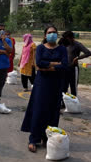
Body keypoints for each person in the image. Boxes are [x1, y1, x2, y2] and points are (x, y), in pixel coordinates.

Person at [21, 25, 68, 153]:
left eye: (54, 32)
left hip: (56, 84)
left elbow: (64, 65)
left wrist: (48, 66)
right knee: (38, 109)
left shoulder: (62, 49)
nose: (52, 34)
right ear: (45, 35)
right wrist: (55, 64)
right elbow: (38, 64)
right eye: (49, 32)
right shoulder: (41, 47)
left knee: (53, 110)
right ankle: (33, 138)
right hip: (42, 83)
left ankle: (47, 137)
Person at [59, 31, 91, 96]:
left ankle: (73, 104)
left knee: (73, 88)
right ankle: (63, 103)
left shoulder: (77, 44)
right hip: (64, 68)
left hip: (73, 69)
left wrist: (77, 58)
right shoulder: (63, 44)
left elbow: (88, 53)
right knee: (63, 87)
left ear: (71, 38)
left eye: (66, 38)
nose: (65, 39)